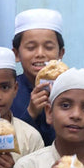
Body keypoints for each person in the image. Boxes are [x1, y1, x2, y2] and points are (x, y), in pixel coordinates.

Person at [10, 8, 66, 146]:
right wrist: (31, 113)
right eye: (31, 47)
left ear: (60, 53)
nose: (40, 54)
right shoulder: (9, 92)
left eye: (48, 47)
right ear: (16, 54)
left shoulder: (70, 90)